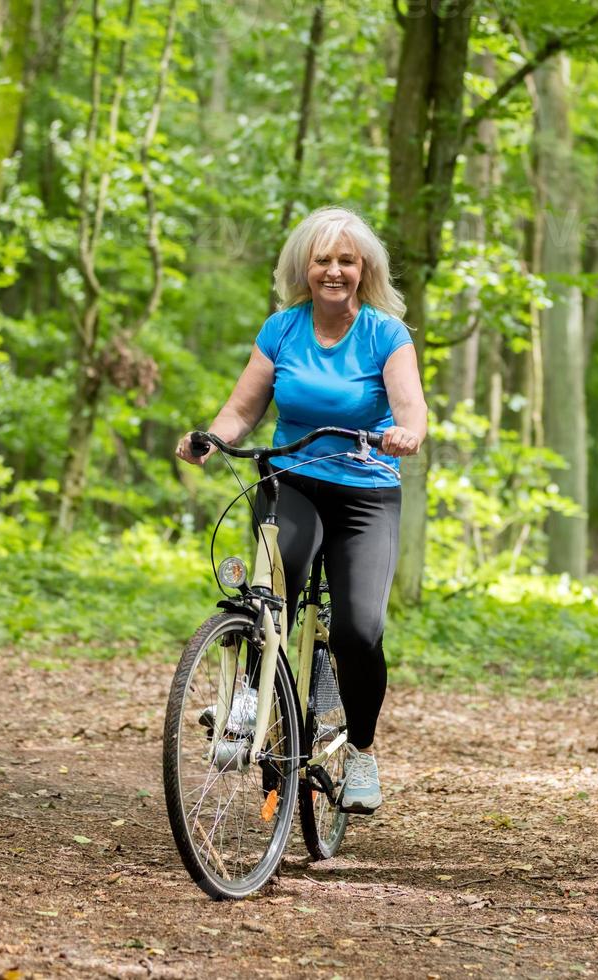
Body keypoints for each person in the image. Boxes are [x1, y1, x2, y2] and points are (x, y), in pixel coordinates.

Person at [176, 206, 427, 814]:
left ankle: (361, 750)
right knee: (268, 590)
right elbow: (243, 410)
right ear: (304, 268)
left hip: (366, 492)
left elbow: (410, 409)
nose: (334, 271)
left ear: (363, 269)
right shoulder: (282, 330)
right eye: (323, 260)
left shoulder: (385, 334)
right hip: (292, 480)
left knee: (358, 631)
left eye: (346, 260)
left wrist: (406, 433)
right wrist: (211, 437)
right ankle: (245, 701)